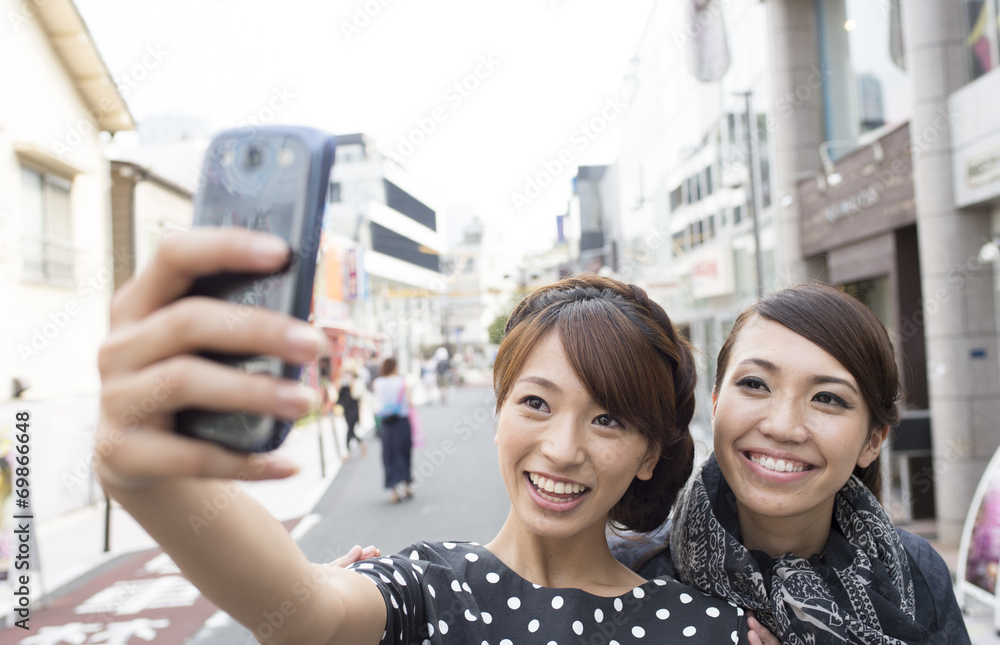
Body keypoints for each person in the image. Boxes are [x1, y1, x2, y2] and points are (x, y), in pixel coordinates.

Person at [93, 229, 778, 645]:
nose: (564, 448)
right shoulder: (426, 592)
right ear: (500, 408)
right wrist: (148, 480)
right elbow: (303, 612)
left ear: (650, 452)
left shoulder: (709, 628)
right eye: (536, 403)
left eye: (609, 420)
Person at [612, 284, 971, 644]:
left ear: (873, 440)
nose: (782, 428)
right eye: (755, 384)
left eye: (827, 398)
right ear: (717, 402)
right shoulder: (629, 574)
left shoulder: (914, 569)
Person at [372, 357, 413, 503]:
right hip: (402, 422)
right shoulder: (402, 382)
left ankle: (393, 492)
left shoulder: (377, 383)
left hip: (386, 423)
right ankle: (407, 486)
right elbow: (410, 403)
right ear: (395, 367)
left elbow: (376, 402)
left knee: (389, 456)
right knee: (404, 453)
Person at [337, 368, 365, 460]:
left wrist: (352, 384)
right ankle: (362, 444)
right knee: (351, 431)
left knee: (349, 430)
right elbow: (339, 399)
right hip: (347, 411)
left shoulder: (356, 384)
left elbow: (357, 396)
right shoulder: (343, 386)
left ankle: (347, 452)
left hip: (354, 410)